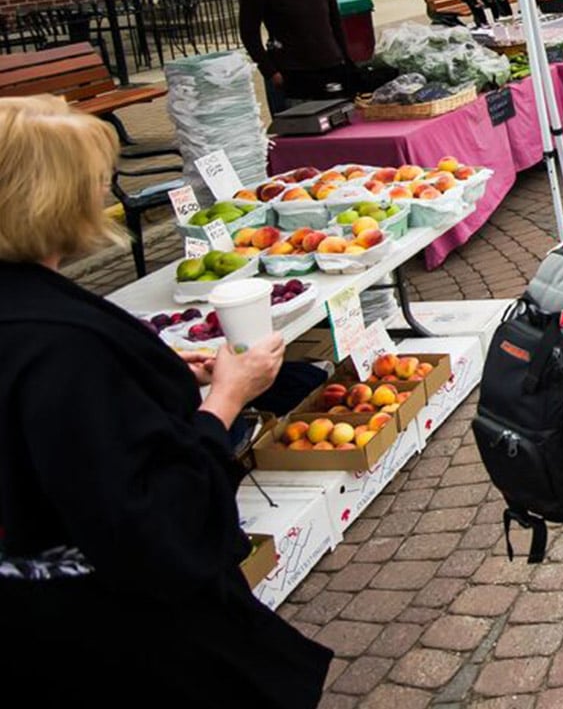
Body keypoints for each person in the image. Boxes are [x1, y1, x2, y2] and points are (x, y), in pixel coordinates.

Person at [0, 96, 330, 706]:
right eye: (94, 179)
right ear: (49, 197)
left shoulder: (37, 322)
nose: (104, 190)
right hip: (122, 644)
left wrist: (144, 376)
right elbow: (153, 517)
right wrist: (227, 400)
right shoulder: (63, 347)